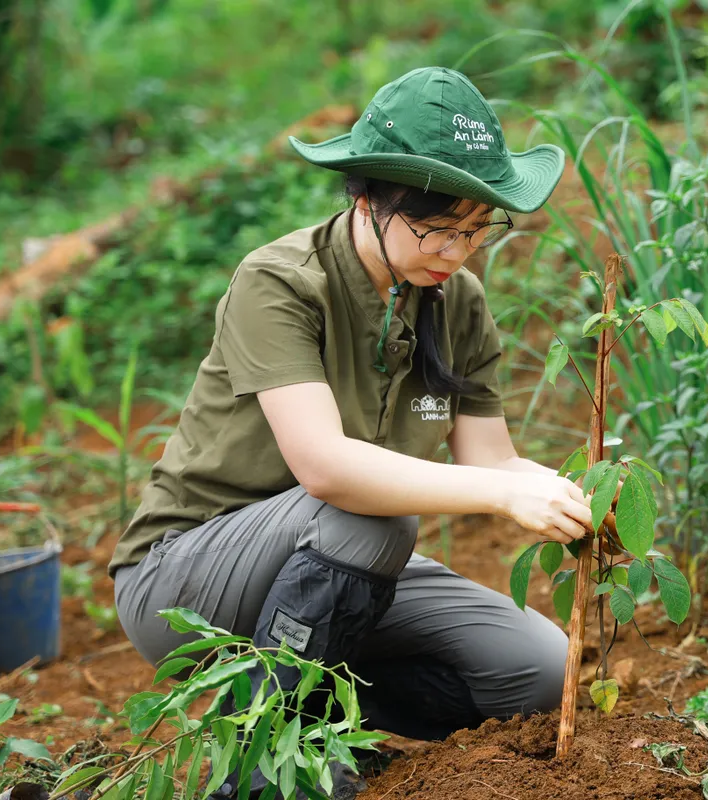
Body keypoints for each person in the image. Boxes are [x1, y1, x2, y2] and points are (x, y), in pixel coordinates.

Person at [109, 67, 595, 799]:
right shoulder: (280, 283)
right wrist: (497, 494)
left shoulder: (454, 300)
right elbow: (327, 470)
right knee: (368, 515)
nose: (457, 253)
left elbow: (491, 458)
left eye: (475, 230)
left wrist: (568, 494)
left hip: (341, 567)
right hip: (187, 580)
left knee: (539, 668)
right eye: (436, 228)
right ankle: (275, 759)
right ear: (368, 198)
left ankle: (333, 709)